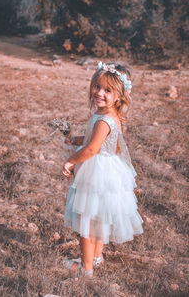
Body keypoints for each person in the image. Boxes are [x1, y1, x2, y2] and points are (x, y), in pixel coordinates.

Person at [62, 61, 143, 277]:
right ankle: (96, 258)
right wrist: (74, 139)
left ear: (119, 96)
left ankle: (85, 269)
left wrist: (71, 161)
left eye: (107, 90)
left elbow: (91, 148)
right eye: (97, 86)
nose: (100, 93)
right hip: (107, 171)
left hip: (97, 172)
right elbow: (97, 142)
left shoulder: (104, 120)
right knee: (97, 218)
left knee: (86, 223)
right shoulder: (107, 115)